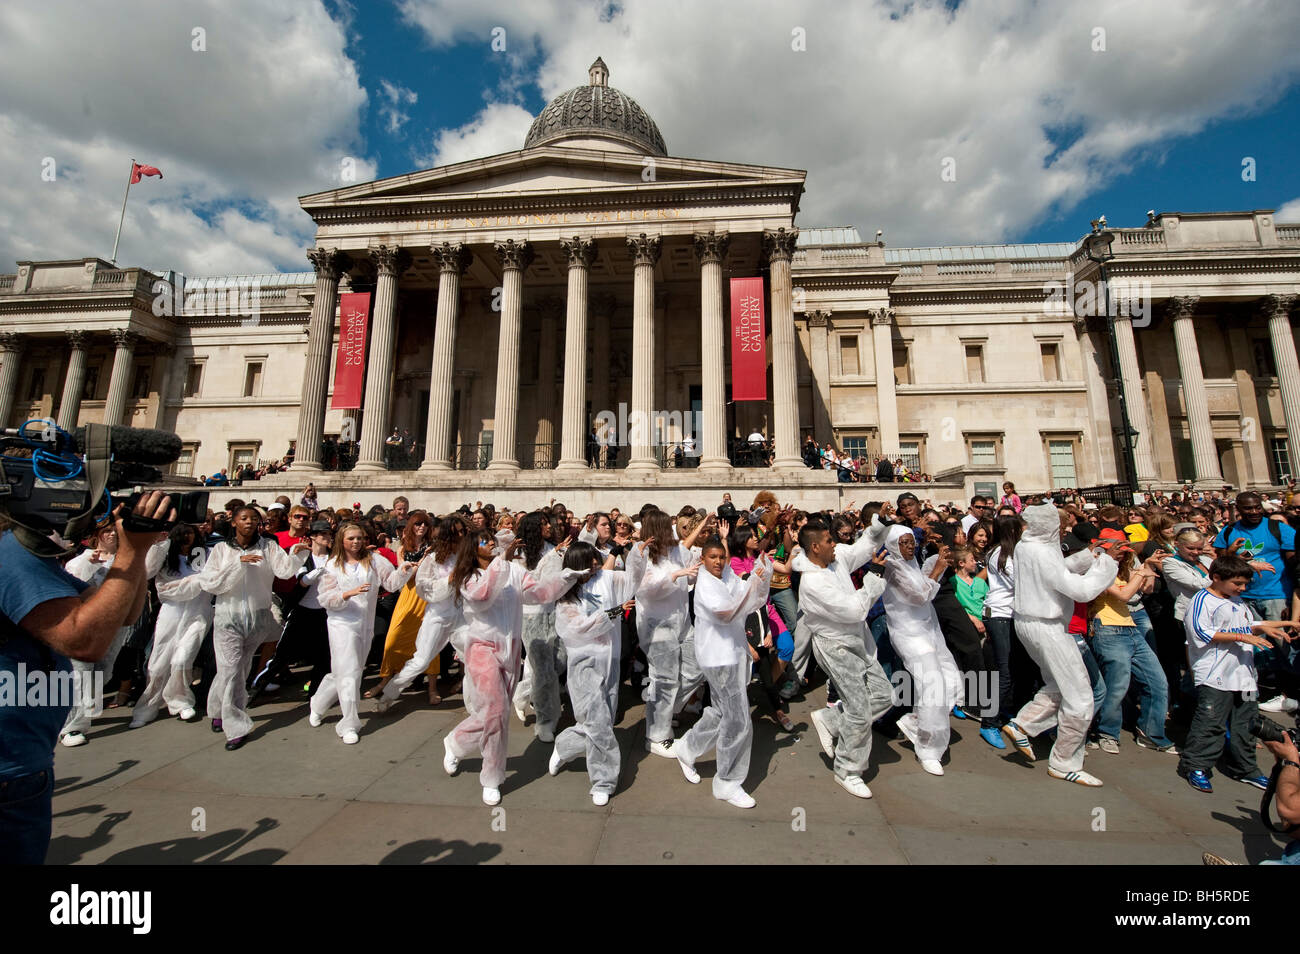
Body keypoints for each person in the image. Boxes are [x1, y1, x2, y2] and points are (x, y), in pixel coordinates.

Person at [0, 490, 172, 864]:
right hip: (11, 769)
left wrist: (138, 550)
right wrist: (130, 550)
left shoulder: (29, 557)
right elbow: (84, 640)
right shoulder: (9, 553)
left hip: (23, 760)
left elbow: (120, 613)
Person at [443, 530, 578, 806]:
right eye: (484, 541)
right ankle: (492, 777)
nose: (491, 542)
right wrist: (501, 562)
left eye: (490, 539)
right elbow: (483, 597)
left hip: (511, 649)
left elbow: (537, 593)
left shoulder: (513, 571)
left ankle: (456, 741)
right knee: (496, 711)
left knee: (495, 715)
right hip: (482, 648)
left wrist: (566, 579)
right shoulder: (468, 577)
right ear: (472, 548)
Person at [1001, 503, 1118, 786]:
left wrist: (1091, 555)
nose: (1064, 529)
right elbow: (1081, 590)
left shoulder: (1025, 546)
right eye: (1061, 525)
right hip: (1048, 627)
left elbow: (1058, 569)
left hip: (1029, 623)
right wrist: (1107, 563)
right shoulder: (1040, 550)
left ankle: (1023, 724)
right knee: (1080, 697)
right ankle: (1064, 761)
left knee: (1057, 684)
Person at [1177, 554, 1295, 793]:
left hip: (1245, 677)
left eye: (1244, 584)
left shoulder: (1237, 600)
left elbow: (1249, 626)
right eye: (1237, 584)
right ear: (1217, 578)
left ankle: (1246, 769)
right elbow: (1201, 633)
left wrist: (1277, 627)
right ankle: (1196, 766)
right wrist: (1242, 637)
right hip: (1216, 677)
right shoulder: (1203, 600)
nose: (1242, 588)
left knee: (1248, 724)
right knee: (1211, 723)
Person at [197, 506, 309, 750]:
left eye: (254, 519)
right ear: (234, 522)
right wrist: (238, 563)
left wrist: (297, 555)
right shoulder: (220, 549)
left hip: (258, 617)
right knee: (230, 669)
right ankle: (235, 725)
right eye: (244, 518)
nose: (249, 522)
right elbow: (209, 583)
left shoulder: (268, 547)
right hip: (228, 617)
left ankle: (218, 709)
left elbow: (284, 570)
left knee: (240, 666)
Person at [673, 536, 771, 809]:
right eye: (712, 557)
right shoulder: (705, 585)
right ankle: (727, 782)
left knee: (720, 711)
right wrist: (753, 584)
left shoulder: (726, 575)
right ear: (702, 559)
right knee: (738, 719)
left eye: (721, 557)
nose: (718, 561)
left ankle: (687, 748)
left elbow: (751, 595)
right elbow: (727, 612)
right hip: (718, 658)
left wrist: (760, 575)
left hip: (733, 653)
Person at [793, 519, 889, 798]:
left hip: (858, 640)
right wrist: (873, 576)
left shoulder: (834, 559)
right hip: (835, 646)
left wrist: (879, 524)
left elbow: (862, 548)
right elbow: (854, 611)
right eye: (829, 540)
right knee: (858, 709)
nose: (835, 543)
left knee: (884, 695)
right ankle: (847, 769)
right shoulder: (812, 583)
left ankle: (832, 719)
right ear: (815, 547)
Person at [549, 541, 646, 805]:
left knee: (599, 719)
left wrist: (637, 554)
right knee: (600, 722)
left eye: (596, 559)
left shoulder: (606, 578)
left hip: (610, 660)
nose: (595, 565)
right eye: (589, 562)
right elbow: (577, 628)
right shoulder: (566, 592)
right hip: (584, 664)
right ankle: (603, 781)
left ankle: (564, 745)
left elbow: (634, 580)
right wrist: (614, 612)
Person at [59, 521, 168, 745]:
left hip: (116, 626)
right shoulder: (80, 561)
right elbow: (71, 590)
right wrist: (89, 567)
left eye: (114, 531)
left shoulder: (124, 560)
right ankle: (72, 727)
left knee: (103, 672)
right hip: (85, 625)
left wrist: (157, 544)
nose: (110, 535)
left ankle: (78, 713)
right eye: (106, 531)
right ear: (96, 535)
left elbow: (145, 574)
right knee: (80, 673)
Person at [310, 523, 414, 744]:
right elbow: (325, 598)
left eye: (360, 538)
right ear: (342, 541)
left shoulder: (375, 560)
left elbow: (391, 583)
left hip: (364, 623)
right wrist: (347, 594)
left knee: (346, 671)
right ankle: (349, 724)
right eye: (351, 539)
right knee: (349, 674)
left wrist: (404, 570)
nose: (356, 542)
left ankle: (318, 704)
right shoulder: (332, 565)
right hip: (341, 623)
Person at [880, 524, 961, 776]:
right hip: (909, 635)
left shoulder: (912, 562)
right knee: (933, 685)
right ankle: (928, 749)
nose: (910, 546)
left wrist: (940, 558)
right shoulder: (892, 567)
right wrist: (937, 571)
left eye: (911, 541)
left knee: (953, 683)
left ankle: (916, 722)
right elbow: (918, 595)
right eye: (903, 542)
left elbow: (923, 580)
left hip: (929, 631)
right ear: (893, 545)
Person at [375, 515, 467, 713]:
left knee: (473, 654)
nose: (460, 536)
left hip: (461, 615)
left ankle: (479, 700)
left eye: (462, 532)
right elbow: (423, 588)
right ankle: (390, 693)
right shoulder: (433, 559)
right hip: (438, 615)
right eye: (456, 532)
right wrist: (448, 581)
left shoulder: (465, 556)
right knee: (421, 660)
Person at [129, 523, 212, 728]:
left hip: (198, 613)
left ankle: (181, 700)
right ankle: (148, 706)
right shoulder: (164, 556)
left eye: (190, 533)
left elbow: (210, 580)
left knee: (182, 659)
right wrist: (158, 546)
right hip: (171, 613)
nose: (187, 537)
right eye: (182, 533)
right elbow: (149, 573)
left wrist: (186, 584)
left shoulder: (205, 554)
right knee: (158, 663)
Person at [510, 511, 567, 741]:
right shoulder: (520, 554)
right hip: (532, 616)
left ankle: (521, 693)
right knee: (544, 669)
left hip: (554, 612)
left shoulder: (553, 549)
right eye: (543, 524)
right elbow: (527, 583)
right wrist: (549, 560)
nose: (548, 527)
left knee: (558, 663)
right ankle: (545, 719)